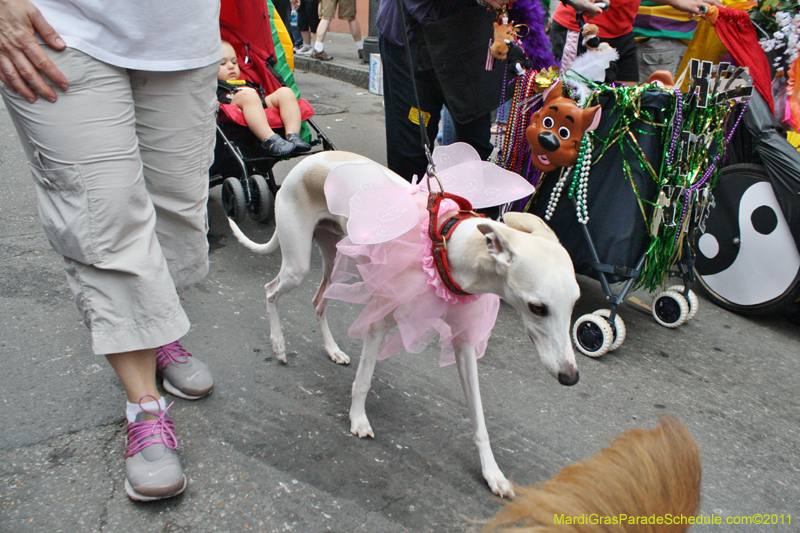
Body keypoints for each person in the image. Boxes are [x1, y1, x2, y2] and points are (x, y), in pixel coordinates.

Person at [0, 0, 219, 502]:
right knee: (104, 215)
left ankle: (155, 329)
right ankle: (143, 407)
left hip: (183, 36)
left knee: (177, 208)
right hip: (58, 27)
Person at [549, 0, 716, 86]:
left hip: (622, 32)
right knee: (572, 112)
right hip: (582, 29)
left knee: (625, 110)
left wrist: (682, 2)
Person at [218, 40, 311, 156]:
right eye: (222, 63)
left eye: (234, 62)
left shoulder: (245, 81)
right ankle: (270, 140)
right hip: (231, 107)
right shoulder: (212, 85)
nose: (231, 66)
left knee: (285, 92)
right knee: (248, 96)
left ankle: (293, 136)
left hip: (256, 103)